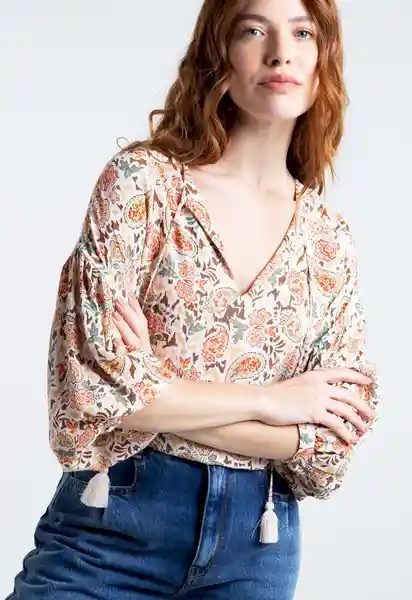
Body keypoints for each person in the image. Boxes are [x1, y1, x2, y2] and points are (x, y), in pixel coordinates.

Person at [7, 0, 380, 598]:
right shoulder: (144, 186)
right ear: (218, 52)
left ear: (324, 60)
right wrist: (274, 402)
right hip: (110, 529)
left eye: (303, 33)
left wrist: (156, 393)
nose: (280, 53)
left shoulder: (327, 240)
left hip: (256, 551)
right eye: (253, 30)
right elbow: (90, 393)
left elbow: (330, 448)